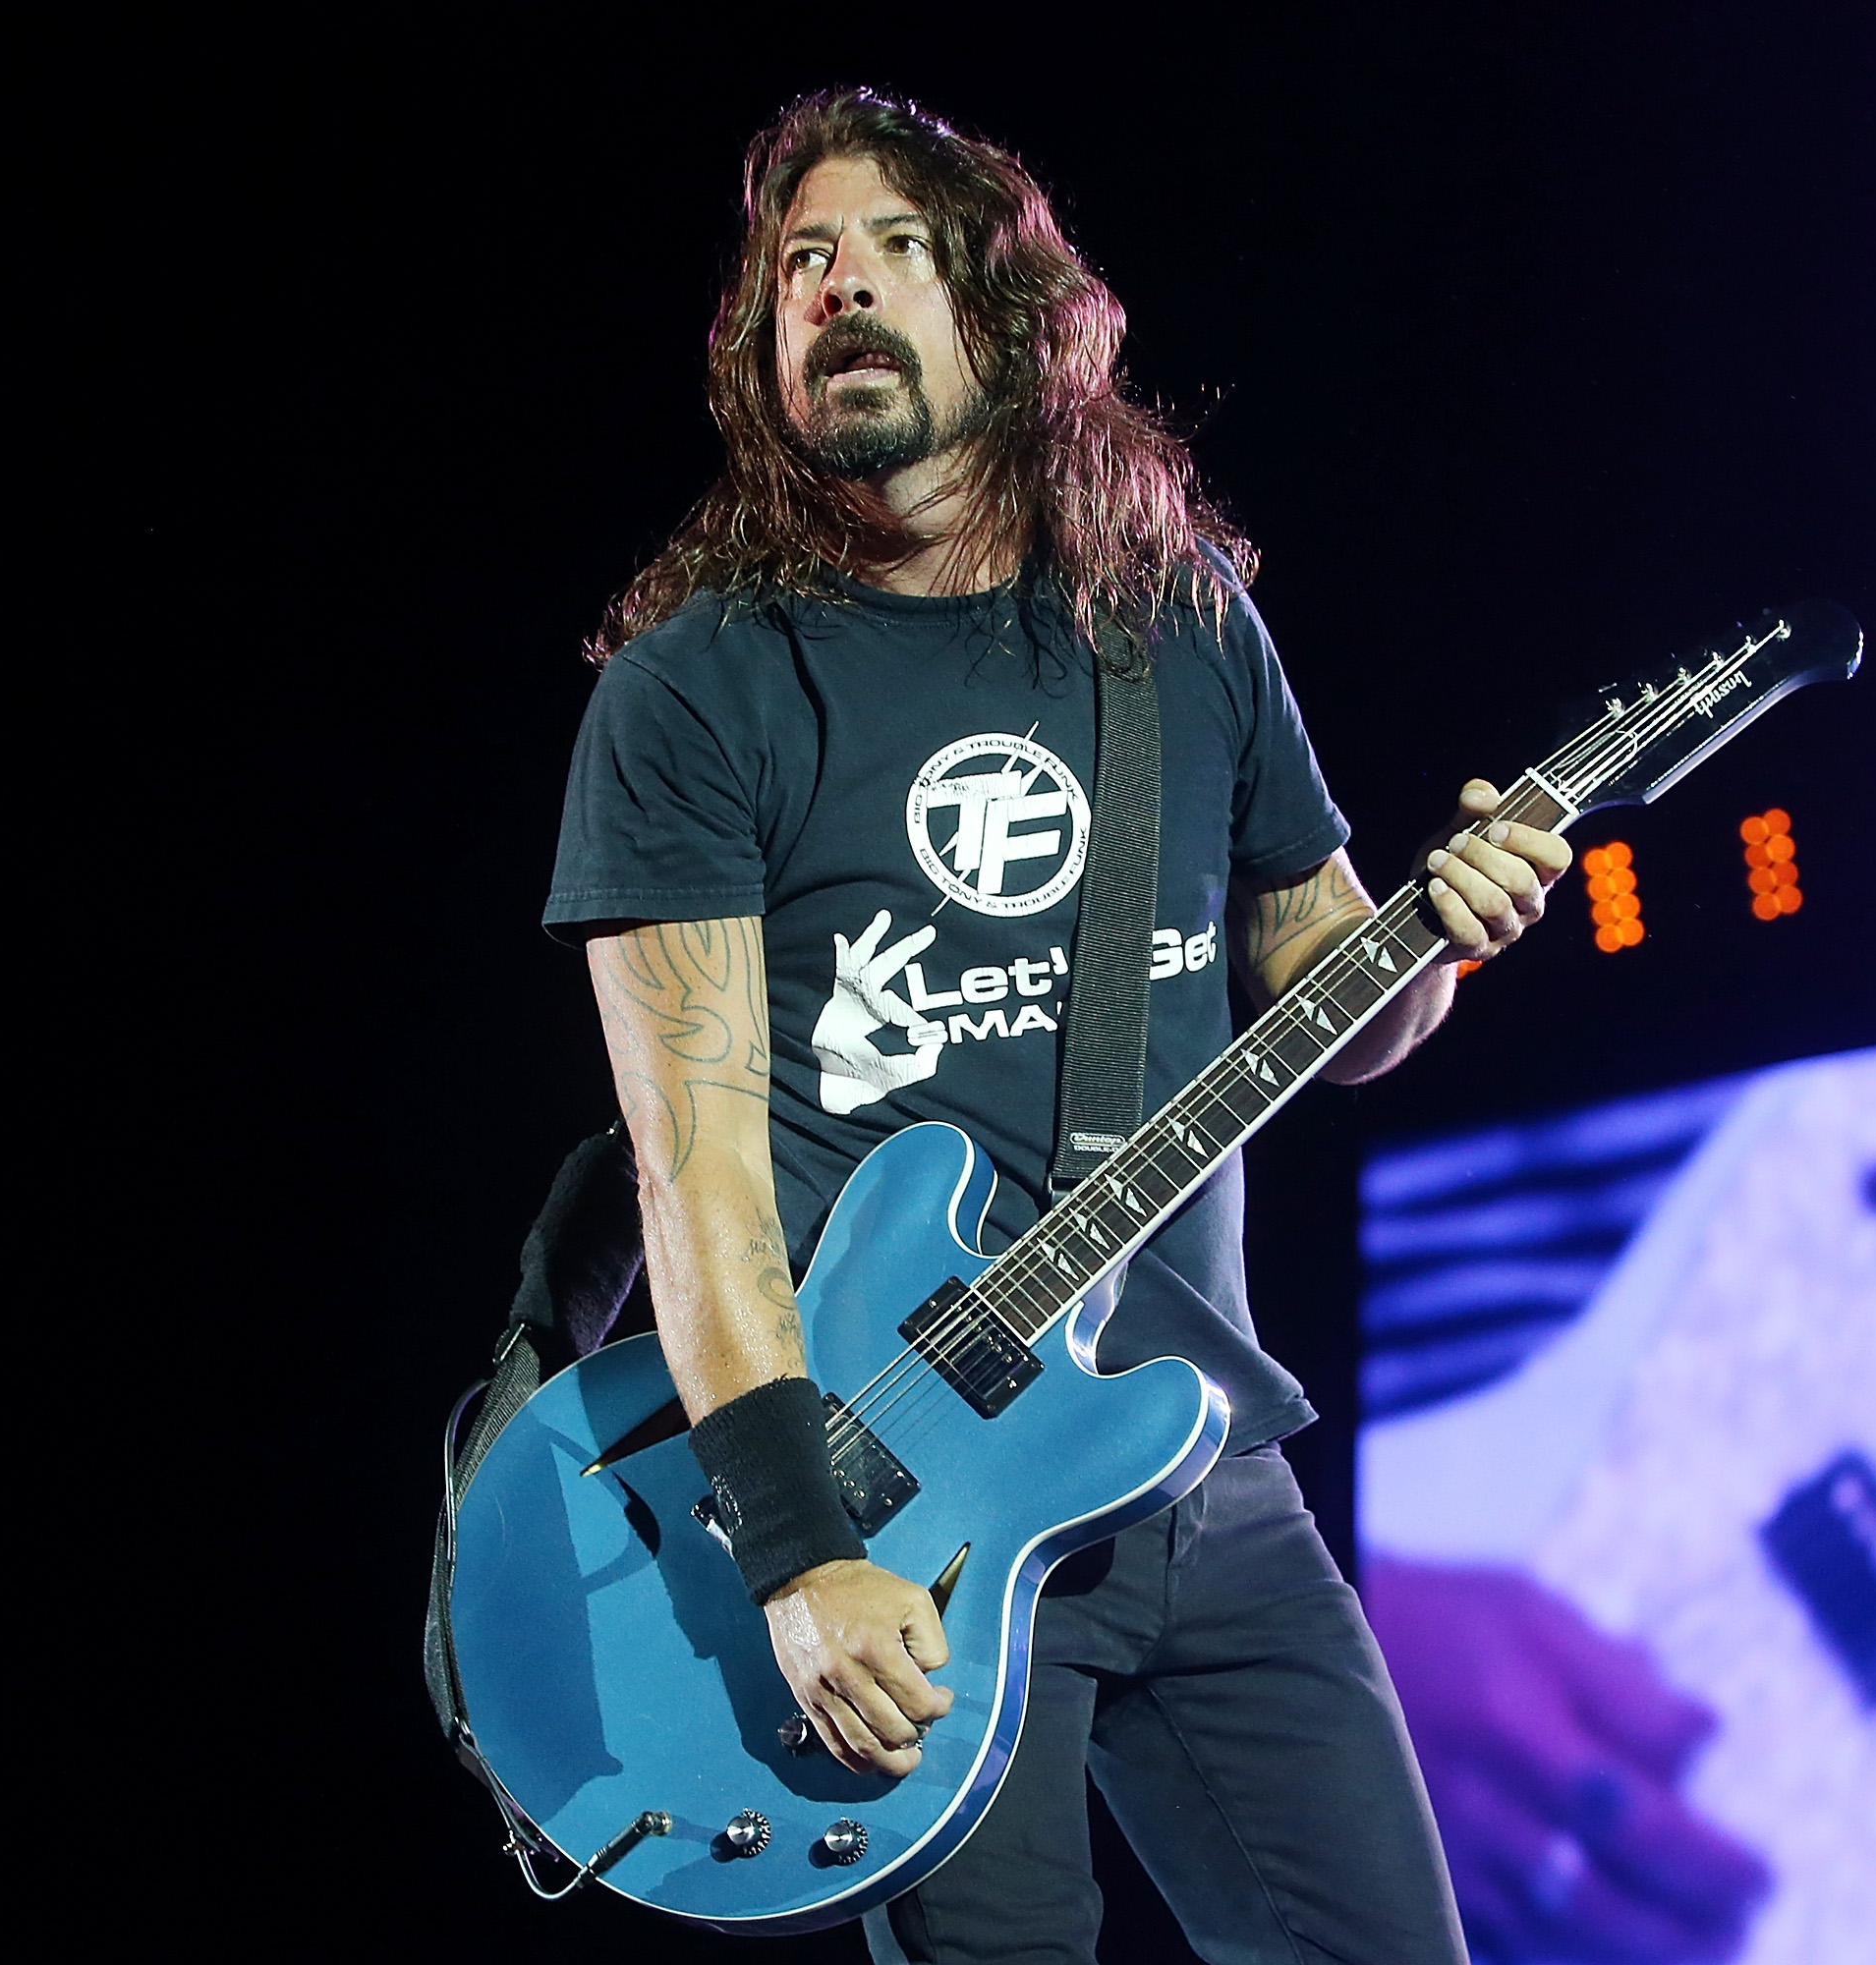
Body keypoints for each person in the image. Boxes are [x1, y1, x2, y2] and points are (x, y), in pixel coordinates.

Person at [543, 88, 1569, 1965]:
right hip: (909, 1519)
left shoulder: (1173, 622)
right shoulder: (697, 690)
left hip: (1196, 1463)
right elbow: (696, 1176)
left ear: (1009, 315)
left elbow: (1339, 1004)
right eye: (797, 269)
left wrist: (1444, 936)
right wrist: (795, 1549)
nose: (837, 289)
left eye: (892, 251)